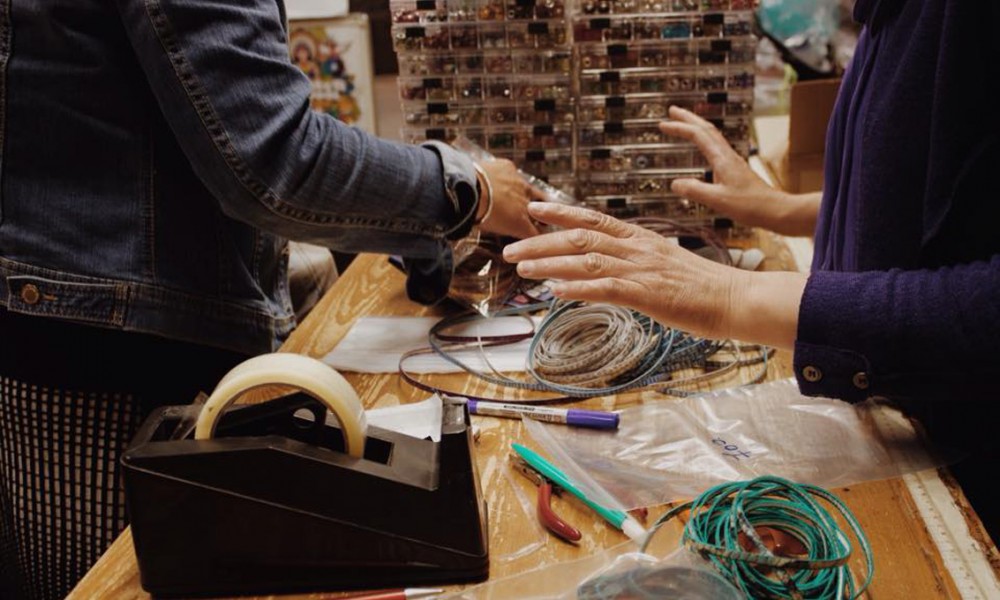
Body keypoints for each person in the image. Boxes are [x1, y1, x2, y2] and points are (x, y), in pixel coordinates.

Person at [0, 1, 539, 598]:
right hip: (101, 357)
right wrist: (469, 189)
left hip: (107, 324)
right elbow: (275, 159)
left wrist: (427, 239)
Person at [504, 0, 1000, 540]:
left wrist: (733, 296)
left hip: (963, 486)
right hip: (880, 419)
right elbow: (948, 197)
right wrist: (782, 209)